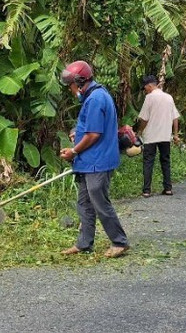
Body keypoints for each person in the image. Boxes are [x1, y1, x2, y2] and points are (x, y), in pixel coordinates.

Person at [58, 60, 129, 258]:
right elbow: (86, 129)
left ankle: (119, 241)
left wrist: (74, 151)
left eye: (71, 85)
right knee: (84, 204)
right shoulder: (91, 98)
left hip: (98, 161)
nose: (71, 89)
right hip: (88, 162)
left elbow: (93, 134)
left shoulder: (97, 98)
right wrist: (75, 136)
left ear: (79, 82)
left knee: (99, 202)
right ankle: (84, 244)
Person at [136, 75, 181, 197]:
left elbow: (144, 119)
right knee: (165, 161)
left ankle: (146, 190)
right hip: (165, 136)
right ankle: (168, 189)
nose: (145, 90)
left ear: (149, 85)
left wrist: (139, 132)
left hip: (151, 136)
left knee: (148, 162)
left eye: (145, 88)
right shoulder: (169, 97)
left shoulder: (149, 98)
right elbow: (175, 118)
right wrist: (175, 135)